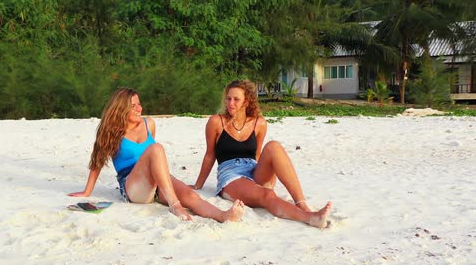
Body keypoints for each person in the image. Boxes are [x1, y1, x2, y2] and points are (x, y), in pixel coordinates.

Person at [68, 88, 244, 222]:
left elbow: (154, 162)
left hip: (157, 180)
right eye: (133, 106)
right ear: (121, 109)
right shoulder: (111, 131)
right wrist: (87, 191)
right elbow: (97, 161)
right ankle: (174, 206)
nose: (139, 108)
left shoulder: (148, 124)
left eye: (139, 103)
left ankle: (223, 216)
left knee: (190, 196)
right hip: (133, 186)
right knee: (155, 149)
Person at [190, 79, 332, 228]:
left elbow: (257, 155)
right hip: (231, 175)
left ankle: (301, 204)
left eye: (236, 99)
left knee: (273, 146)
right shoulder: (216, 122)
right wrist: (198, 185)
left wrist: (261, 177)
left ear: (246, 102)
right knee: (268, 195)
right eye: (228, 98)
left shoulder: (259, 123)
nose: (231, 103)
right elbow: (210, 155)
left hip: (253, 170)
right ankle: (311, 218)